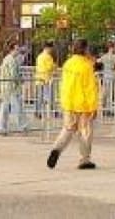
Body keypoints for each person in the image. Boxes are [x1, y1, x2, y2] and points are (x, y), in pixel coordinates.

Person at [47, 39, 99, 170]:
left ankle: (56, 149)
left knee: (68, 129)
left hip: (68, 102)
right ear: (85, 49)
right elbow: (90, 88)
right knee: (85, 132)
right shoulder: (86, 66)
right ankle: (85, 159)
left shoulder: (68, 64)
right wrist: (94, 106)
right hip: (83, 104)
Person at [0, 43, 27, 133]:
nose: (18, 51)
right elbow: (13, 74)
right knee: (16, 107)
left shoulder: (9, 59)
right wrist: (20, 80)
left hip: (7, 86)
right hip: (10, 87)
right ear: (12, 50)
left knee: (6, 107)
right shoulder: (11, 60)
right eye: (16, 49)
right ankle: (21, 126)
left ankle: (3, 126)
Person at [34, 41, 57, 118]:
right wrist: (54, 66)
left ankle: (37, 112)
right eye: (51, 48)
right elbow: (49, 67)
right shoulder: (48, 57)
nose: (51, 50)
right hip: (46, 79)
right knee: (50, 96)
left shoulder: (39, 56)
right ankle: (52, 111)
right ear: (48, 48)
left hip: (39, 79)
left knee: (39, 97)